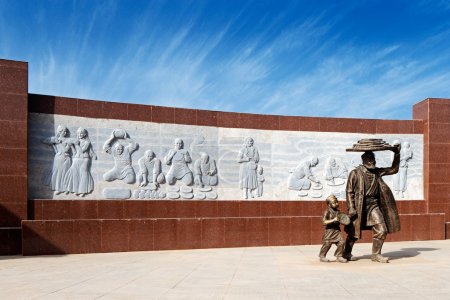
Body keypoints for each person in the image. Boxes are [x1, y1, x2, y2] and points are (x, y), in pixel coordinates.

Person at [343, 146, 401, 263]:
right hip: (359, 206)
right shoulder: (355, 173)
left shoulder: (377, 172)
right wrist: (351, 207)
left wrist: (396, 154)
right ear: (363, 160)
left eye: (373, 159)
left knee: (381, 230)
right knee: (353, 232)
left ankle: (376, 254)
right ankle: (346, 252)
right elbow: (349, 191)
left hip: (373, 206)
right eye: (369, 159)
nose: (372, 161)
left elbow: (394, 169)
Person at [64, 127, 97, 196]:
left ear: (84, 134)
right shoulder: (76, 141)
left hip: (84, 159)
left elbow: (82, 150)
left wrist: (75, 144)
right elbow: (74, 152)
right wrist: (71, 145)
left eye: (81, 133)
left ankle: (83, 190)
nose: (80, 134)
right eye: (78, 133)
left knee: (84, 174)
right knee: (74, 173)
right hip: (76, 158)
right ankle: (76, 189)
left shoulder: (87, 142)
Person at [42, 125, 72, 195]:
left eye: (65, 131)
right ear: (59, 132)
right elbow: (45, 140)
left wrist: (61, 143)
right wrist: (55, 139)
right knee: (58, 173)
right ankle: (59, 188)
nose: (64, 133)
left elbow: (66, 150)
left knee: (66, 173)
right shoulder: (56, 139)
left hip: (66, 158)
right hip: (58, 158)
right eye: (63, 131)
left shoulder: (68, 140)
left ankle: (67, 188)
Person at [319, 195, 347, 263]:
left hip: (337, 230)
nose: (336, 204)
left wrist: (345, 220)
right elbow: (324, 221)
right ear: (329, 204)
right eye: (334, 203)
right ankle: (322, 256)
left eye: (337, 202)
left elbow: (342, 220)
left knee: (341, 242)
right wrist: (333, 220)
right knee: (327, 243)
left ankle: (339, 256)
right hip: (329, 231)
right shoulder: (327, 211)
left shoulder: (338, 212)